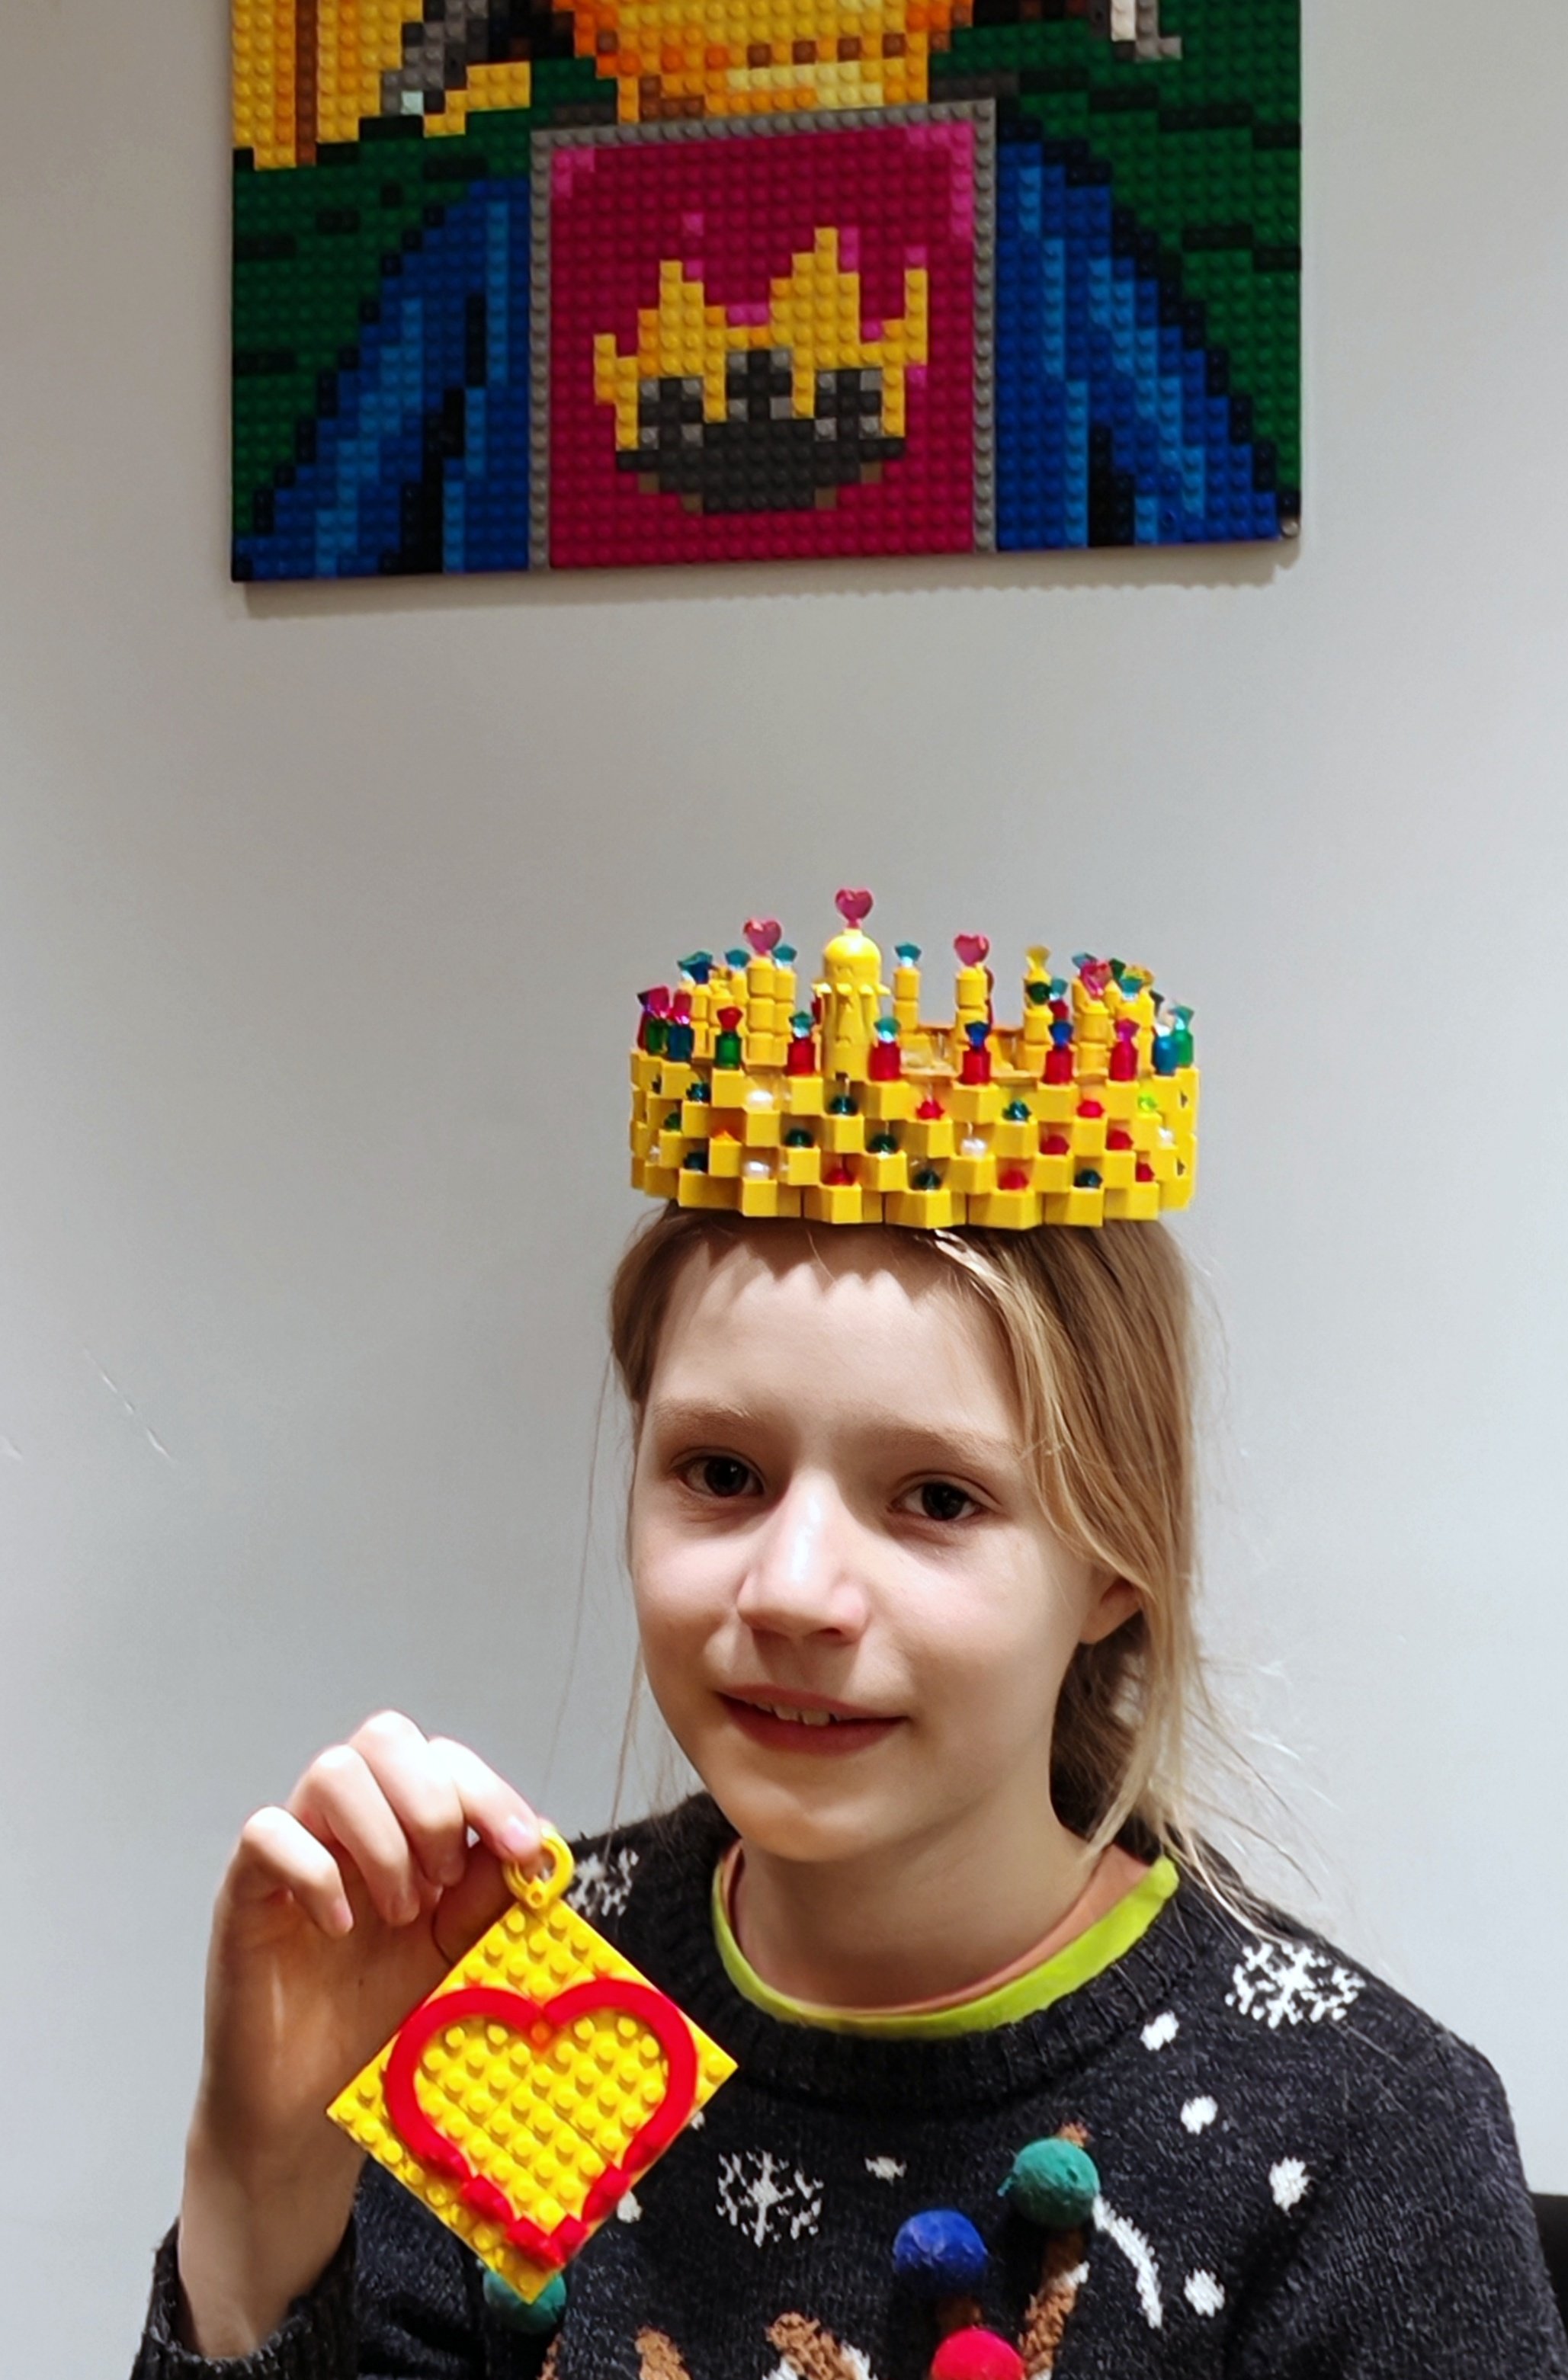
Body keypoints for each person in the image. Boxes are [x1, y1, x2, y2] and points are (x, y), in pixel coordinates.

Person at [133, 918, 1566, 2380]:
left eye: (936, 1500)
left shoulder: (1351, 2145)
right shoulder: (536, 2011)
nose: (794, 1590)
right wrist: (257, 2200)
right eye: (720, 1474)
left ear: (1115, 1566)